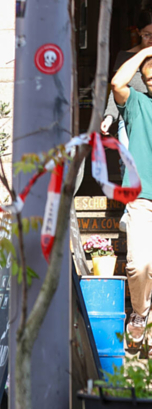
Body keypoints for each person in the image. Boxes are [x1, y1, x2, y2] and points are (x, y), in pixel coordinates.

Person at [112, 44, 152, 343]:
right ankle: (140, 311)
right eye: (147, 75)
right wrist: (144, 52)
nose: (149, 78)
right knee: (139, 265)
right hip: (142, 199)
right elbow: (117, 83)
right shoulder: (137, 104)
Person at [101, 11, 152, 137]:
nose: (151, 39)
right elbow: (116, 90)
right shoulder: (125, 57)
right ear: (139, 32)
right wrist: (109, 117)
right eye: (147, 35)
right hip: (132, 117)